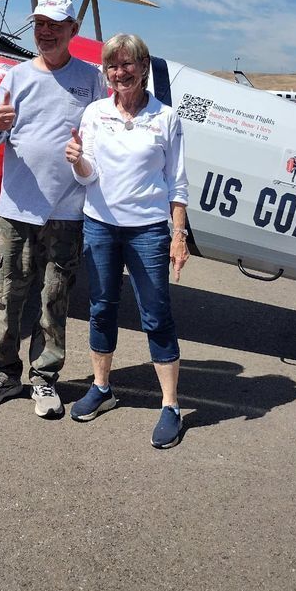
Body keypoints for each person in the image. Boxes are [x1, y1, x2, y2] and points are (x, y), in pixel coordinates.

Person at [0, 0, 107, 418]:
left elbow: (104, 137)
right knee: (7, 297)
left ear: (72, 30)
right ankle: (4, 374)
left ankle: (44, 380)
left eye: (55, 25)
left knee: (54, 300)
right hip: (16, 211)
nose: (46, 32)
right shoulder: (15, 77)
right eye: (40, 24)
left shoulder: (92, 79)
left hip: (67, 215)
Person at [64, 33, 190, 449]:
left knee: (156, 314)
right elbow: (89, 175)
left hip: (148, 230)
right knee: (101, 307)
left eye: (128, 64)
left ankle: (170, 406)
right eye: (112, 66)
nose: (120, 72)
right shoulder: (95, 114)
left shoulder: (166, 117)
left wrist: (178, 235)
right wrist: (78, 161)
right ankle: (102, 389)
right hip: (100, 224)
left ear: (144, 67)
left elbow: (177, 182)